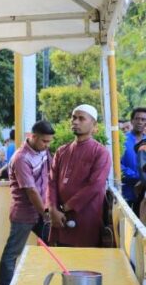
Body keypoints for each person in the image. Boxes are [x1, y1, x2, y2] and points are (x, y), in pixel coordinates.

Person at [0, 120, 54, 285]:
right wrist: (46, 214)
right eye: (44, 141)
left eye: (49, 141)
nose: (47, 145)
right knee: (12, 253)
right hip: (24, 213)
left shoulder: (44, 151)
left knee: (54, 246)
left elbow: (51, 174)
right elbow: (31, 190)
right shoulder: (21, 158)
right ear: (33, 136)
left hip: (42, 210)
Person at [48, 105, 112, 247]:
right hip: (59, 218)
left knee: (84, 259)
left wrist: (65, 207)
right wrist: (52, 210)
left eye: (81, 118)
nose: (75, 122)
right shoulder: (61, 151)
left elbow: (95, 185)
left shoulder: (101, 152)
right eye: (74, 118)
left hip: (86, 218)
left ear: (94, 125)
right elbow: (51, 182)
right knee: (60, 258)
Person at [121, 108, 146, 206]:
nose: (140, 122)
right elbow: (116, 164)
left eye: (143, 119)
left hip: (143, 192)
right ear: (132, 121)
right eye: (137, 119)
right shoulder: (122, 140)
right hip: (126, 190)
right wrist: (137, 177)